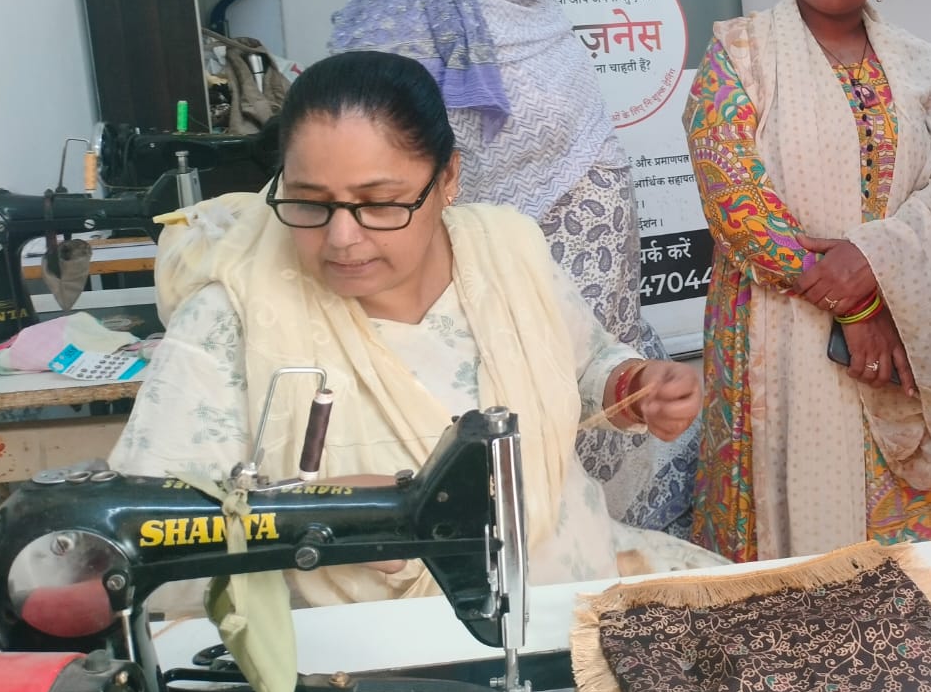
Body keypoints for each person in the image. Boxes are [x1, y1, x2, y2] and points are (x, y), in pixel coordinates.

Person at [110, 51, 721, 604]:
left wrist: (630, 385)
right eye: (309, 203)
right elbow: (146, 525)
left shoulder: (507, 252)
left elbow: (585, 363)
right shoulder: (233, 317)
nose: (341, 238)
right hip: (363, 650)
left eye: (380, 203)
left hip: (572, 578)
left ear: (448, 179)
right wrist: (304, 516)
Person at [327, 0, 695, 538]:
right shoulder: (401, 3)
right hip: (500, 329)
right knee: (532, 537)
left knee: (611, 555)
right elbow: (384, 184)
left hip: (596, 329)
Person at [684, 0, 931, 563]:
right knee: (787, 552)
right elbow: (738, 204)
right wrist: (854, 306)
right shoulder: (741, 55)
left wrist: (872, 261)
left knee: (915, 567)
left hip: (899, 330)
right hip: (778, 330)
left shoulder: (913, 62)